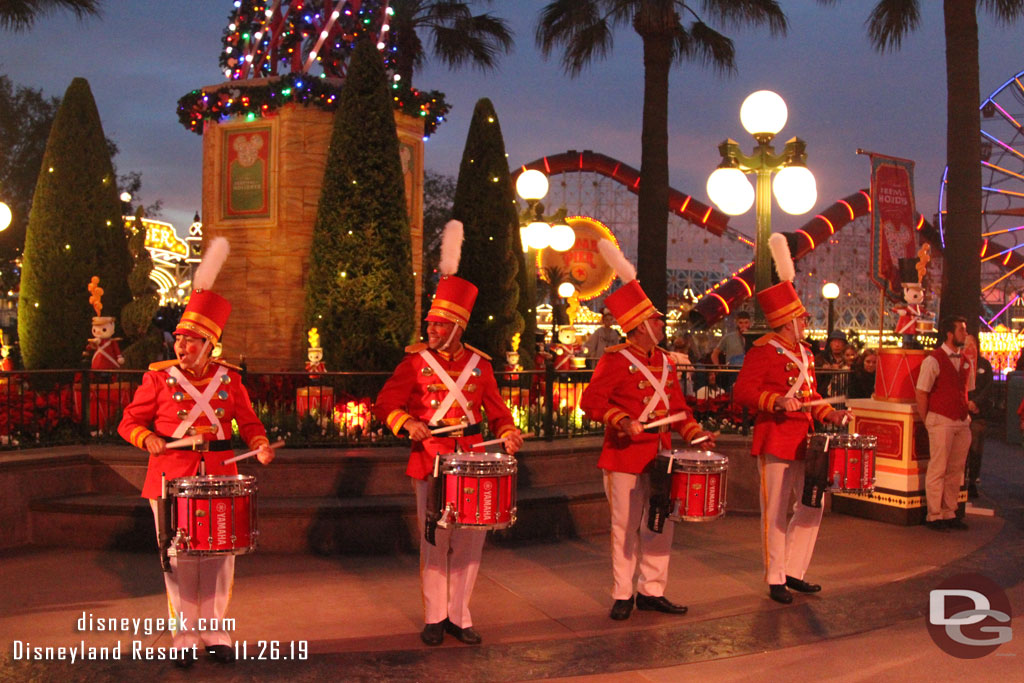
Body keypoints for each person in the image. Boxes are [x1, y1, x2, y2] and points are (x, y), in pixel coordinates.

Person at [117, 238, 274, 667]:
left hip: (220, 474)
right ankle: (184, 637)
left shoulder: (229, 380)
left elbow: (248, 421)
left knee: (221, 556)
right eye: (180, 339)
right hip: (171, 478)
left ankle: (216, 632)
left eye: (190, 341)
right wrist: (145, 438)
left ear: (210, 344)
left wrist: (258, 443)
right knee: (179, 557)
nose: (180, 347)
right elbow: (127, 421)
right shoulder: (158, 380)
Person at [373, 220, 523, 647]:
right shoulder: (414, 364)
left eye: (440, 325)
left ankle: (461, 615)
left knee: (471, 542)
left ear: (458, 327)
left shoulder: (481, 365)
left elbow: (497, 412)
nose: (432, 331)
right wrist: (409, 424)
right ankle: (435, 616)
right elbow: (385, 405)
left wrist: (509, 432)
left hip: (473, 459)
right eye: (431, 325)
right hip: (432, 457)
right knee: (435, 539)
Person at [580, 240, 714, 622]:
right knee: (624, 527)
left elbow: (678, 410)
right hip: (625, 454)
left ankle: (652, 590)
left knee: (660, 522)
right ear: (639, 326)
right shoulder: (616, 360)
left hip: (660, 455)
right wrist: (621, 419)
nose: (662, 323)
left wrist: (694, 433)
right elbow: (590, 403)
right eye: (656, 319)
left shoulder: (668, 364)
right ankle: (623, 593)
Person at [733, 233, 851, 605]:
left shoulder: (805, 353)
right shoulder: (764, 351)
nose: (806, 320)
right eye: (801, 316)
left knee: (812, 504)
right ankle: (775, 577)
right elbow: (743, 392)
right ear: (786, 321)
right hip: (776, 438)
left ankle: (795, 570)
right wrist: (776, 402)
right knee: (775, 512)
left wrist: (830, 413)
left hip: (805, 439)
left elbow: (810, 396)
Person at [915, 315, 975, 532]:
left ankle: (950, 511)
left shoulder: (966, 361)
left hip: (960, 421)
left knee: (956, 469)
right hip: (941, 419)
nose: (965, 334)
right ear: (950, 334)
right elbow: (921, 392)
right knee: (938, 467)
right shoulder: (933, 360)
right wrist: (928, 420)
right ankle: (934, 514)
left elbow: (966, 390)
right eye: (961, 330)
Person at [964, 335, 993, 500]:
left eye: (972, 344)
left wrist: (976, 403)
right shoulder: (960, 363)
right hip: (962, 413)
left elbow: (989, 387)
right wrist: (966, 403)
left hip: (979, 414)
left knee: (976, 448)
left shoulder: (984, 365)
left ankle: (972, 481)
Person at [710, 310, 750, 390]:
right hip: (732, 372)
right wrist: (719, 368)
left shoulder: (753, 338)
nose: (743, 325)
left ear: (750, 323)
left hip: (748, 372)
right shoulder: (728, 337)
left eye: (746, 323)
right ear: (736, 323)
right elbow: (714, 354)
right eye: (741, 323)